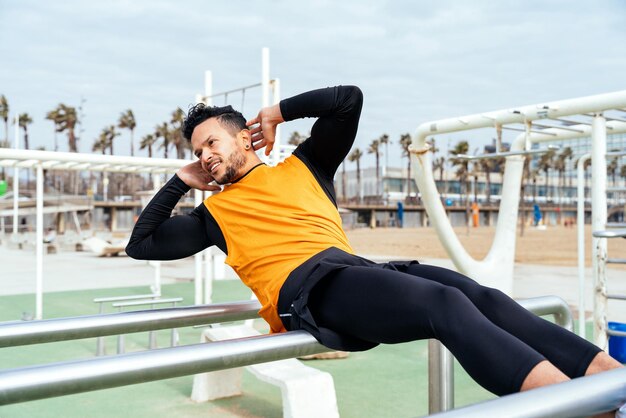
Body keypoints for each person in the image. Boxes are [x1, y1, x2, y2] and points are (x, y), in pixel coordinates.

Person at [126, 85, 622, 404]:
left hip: (355, 270)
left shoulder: (305, 165)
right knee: (443, 303)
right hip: (310, 293)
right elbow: (141, 244)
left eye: (212, 142)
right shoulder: (214, 214)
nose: (206, 155)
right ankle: (571, 406)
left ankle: (609, 379)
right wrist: (179, 180)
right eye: (197, 151)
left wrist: (277, 112)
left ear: (245, 138)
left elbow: (348, 99)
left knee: (481, 296)